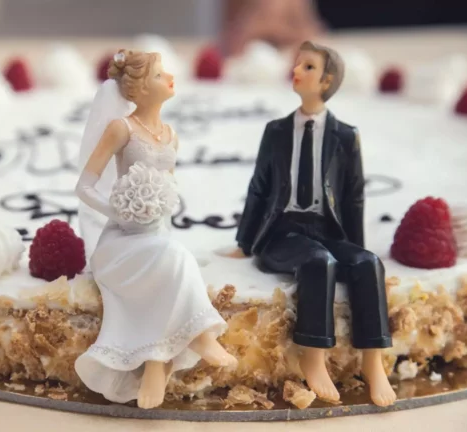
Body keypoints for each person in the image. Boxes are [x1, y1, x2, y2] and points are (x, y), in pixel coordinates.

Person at [225, 41, 397, 407]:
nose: (296, 71)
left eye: (307, 67)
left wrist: (356, 246)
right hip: (283, 232)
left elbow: (353, 196)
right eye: (298, 64)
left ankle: (373, 361)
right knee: (318, 261)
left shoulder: (346, 136)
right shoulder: (276, 131)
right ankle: (313, 357)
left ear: (326, 80)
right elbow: (258, 187)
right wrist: (245, 242)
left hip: (327, 229)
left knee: (368, 264)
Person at [73, 49, 237, 410]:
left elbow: (170, 192)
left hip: (157, 236)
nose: (170, 78)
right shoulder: (122, 129)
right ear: (141, 88)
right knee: (176, 258)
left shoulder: (171, 134)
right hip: (122, 241)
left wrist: (160, 214)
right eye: (160, 75)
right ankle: (199, 334)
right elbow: (83, 187)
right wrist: (119, 211)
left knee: (174, 256)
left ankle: (154, 366)